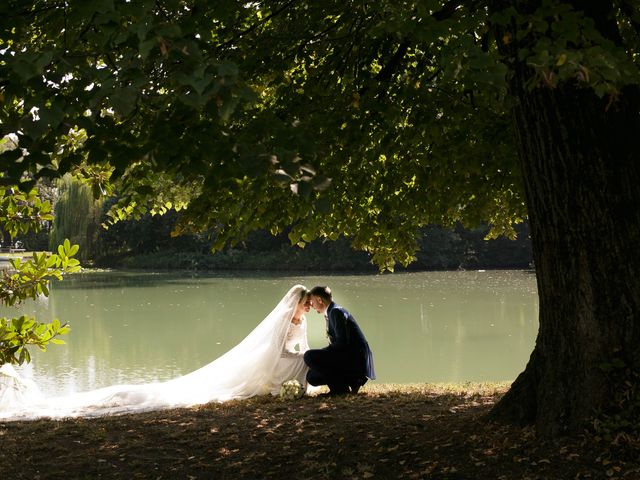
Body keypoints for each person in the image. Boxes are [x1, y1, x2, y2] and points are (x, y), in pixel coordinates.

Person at [0, 284, 312, 420]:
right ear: (296, 302)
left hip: (283, 360)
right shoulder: (283, 320)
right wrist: (274, 381)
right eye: (305, 303)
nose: (307, 309)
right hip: (271, 362)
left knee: (302, 363)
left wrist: (304, 357)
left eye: (308, 305)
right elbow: (275, 351)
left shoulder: (301, 318)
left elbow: (301, 347)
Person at [304, 285, 375, 395]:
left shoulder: (335, 312)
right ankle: (352, 381)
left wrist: (323, 353)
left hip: (354, 357)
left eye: (312, 301)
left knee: (309, 356)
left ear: (319, 300)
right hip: (346, 355)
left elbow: (342, 343)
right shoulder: (332, 311)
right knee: (312, 377)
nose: (311, 305)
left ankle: (340, 389)